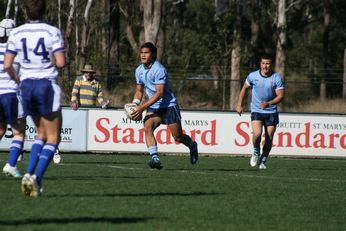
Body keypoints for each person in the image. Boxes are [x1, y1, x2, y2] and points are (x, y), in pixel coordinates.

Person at [4, 0, 65, 197]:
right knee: (54, 137)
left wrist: (18, 80)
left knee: (41, 135)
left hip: (27, 86)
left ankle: (29, 173)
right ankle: (36, 177)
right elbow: (61, 62)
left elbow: (7, 65)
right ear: (45, 10)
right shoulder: (51, 31)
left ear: (25, 11)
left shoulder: (16, 32)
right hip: (45, 84)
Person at [130, 42, 198, 169]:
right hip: (155, 106)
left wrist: (141, 108)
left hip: (168, 106)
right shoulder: (138, 70)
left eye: (146, 53)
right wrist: (135, 104)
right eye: (141, 53)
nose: (143, 55)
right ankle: (155, 158)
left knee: (178, 137)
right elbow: (139, 91)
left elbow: (159, 94)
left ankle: (192, 145)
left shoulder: (159, 69)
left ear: (153, 54)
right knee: (147, 126)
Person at [236, 55, 284, 169]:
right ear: (260, 64)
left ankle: (263, 161)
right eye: (263, 63)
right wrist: (239, 104)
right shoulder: (253, 76)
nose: (265, 66)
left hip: (271, 111)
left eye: (267, 63)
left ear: (270, 64)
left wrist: (269, 103)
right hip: (257, 110)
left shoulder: (276, 78)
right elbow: (244, 89)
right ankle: (256, 151)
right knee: (257, 134)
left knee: (269, 138)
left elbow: (281, 95)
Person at [0, 18, 26, 178]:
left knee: (1, 129)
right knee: (19, 132)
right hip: (10, 95)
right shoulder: (16, 52)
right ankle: (11, 164)